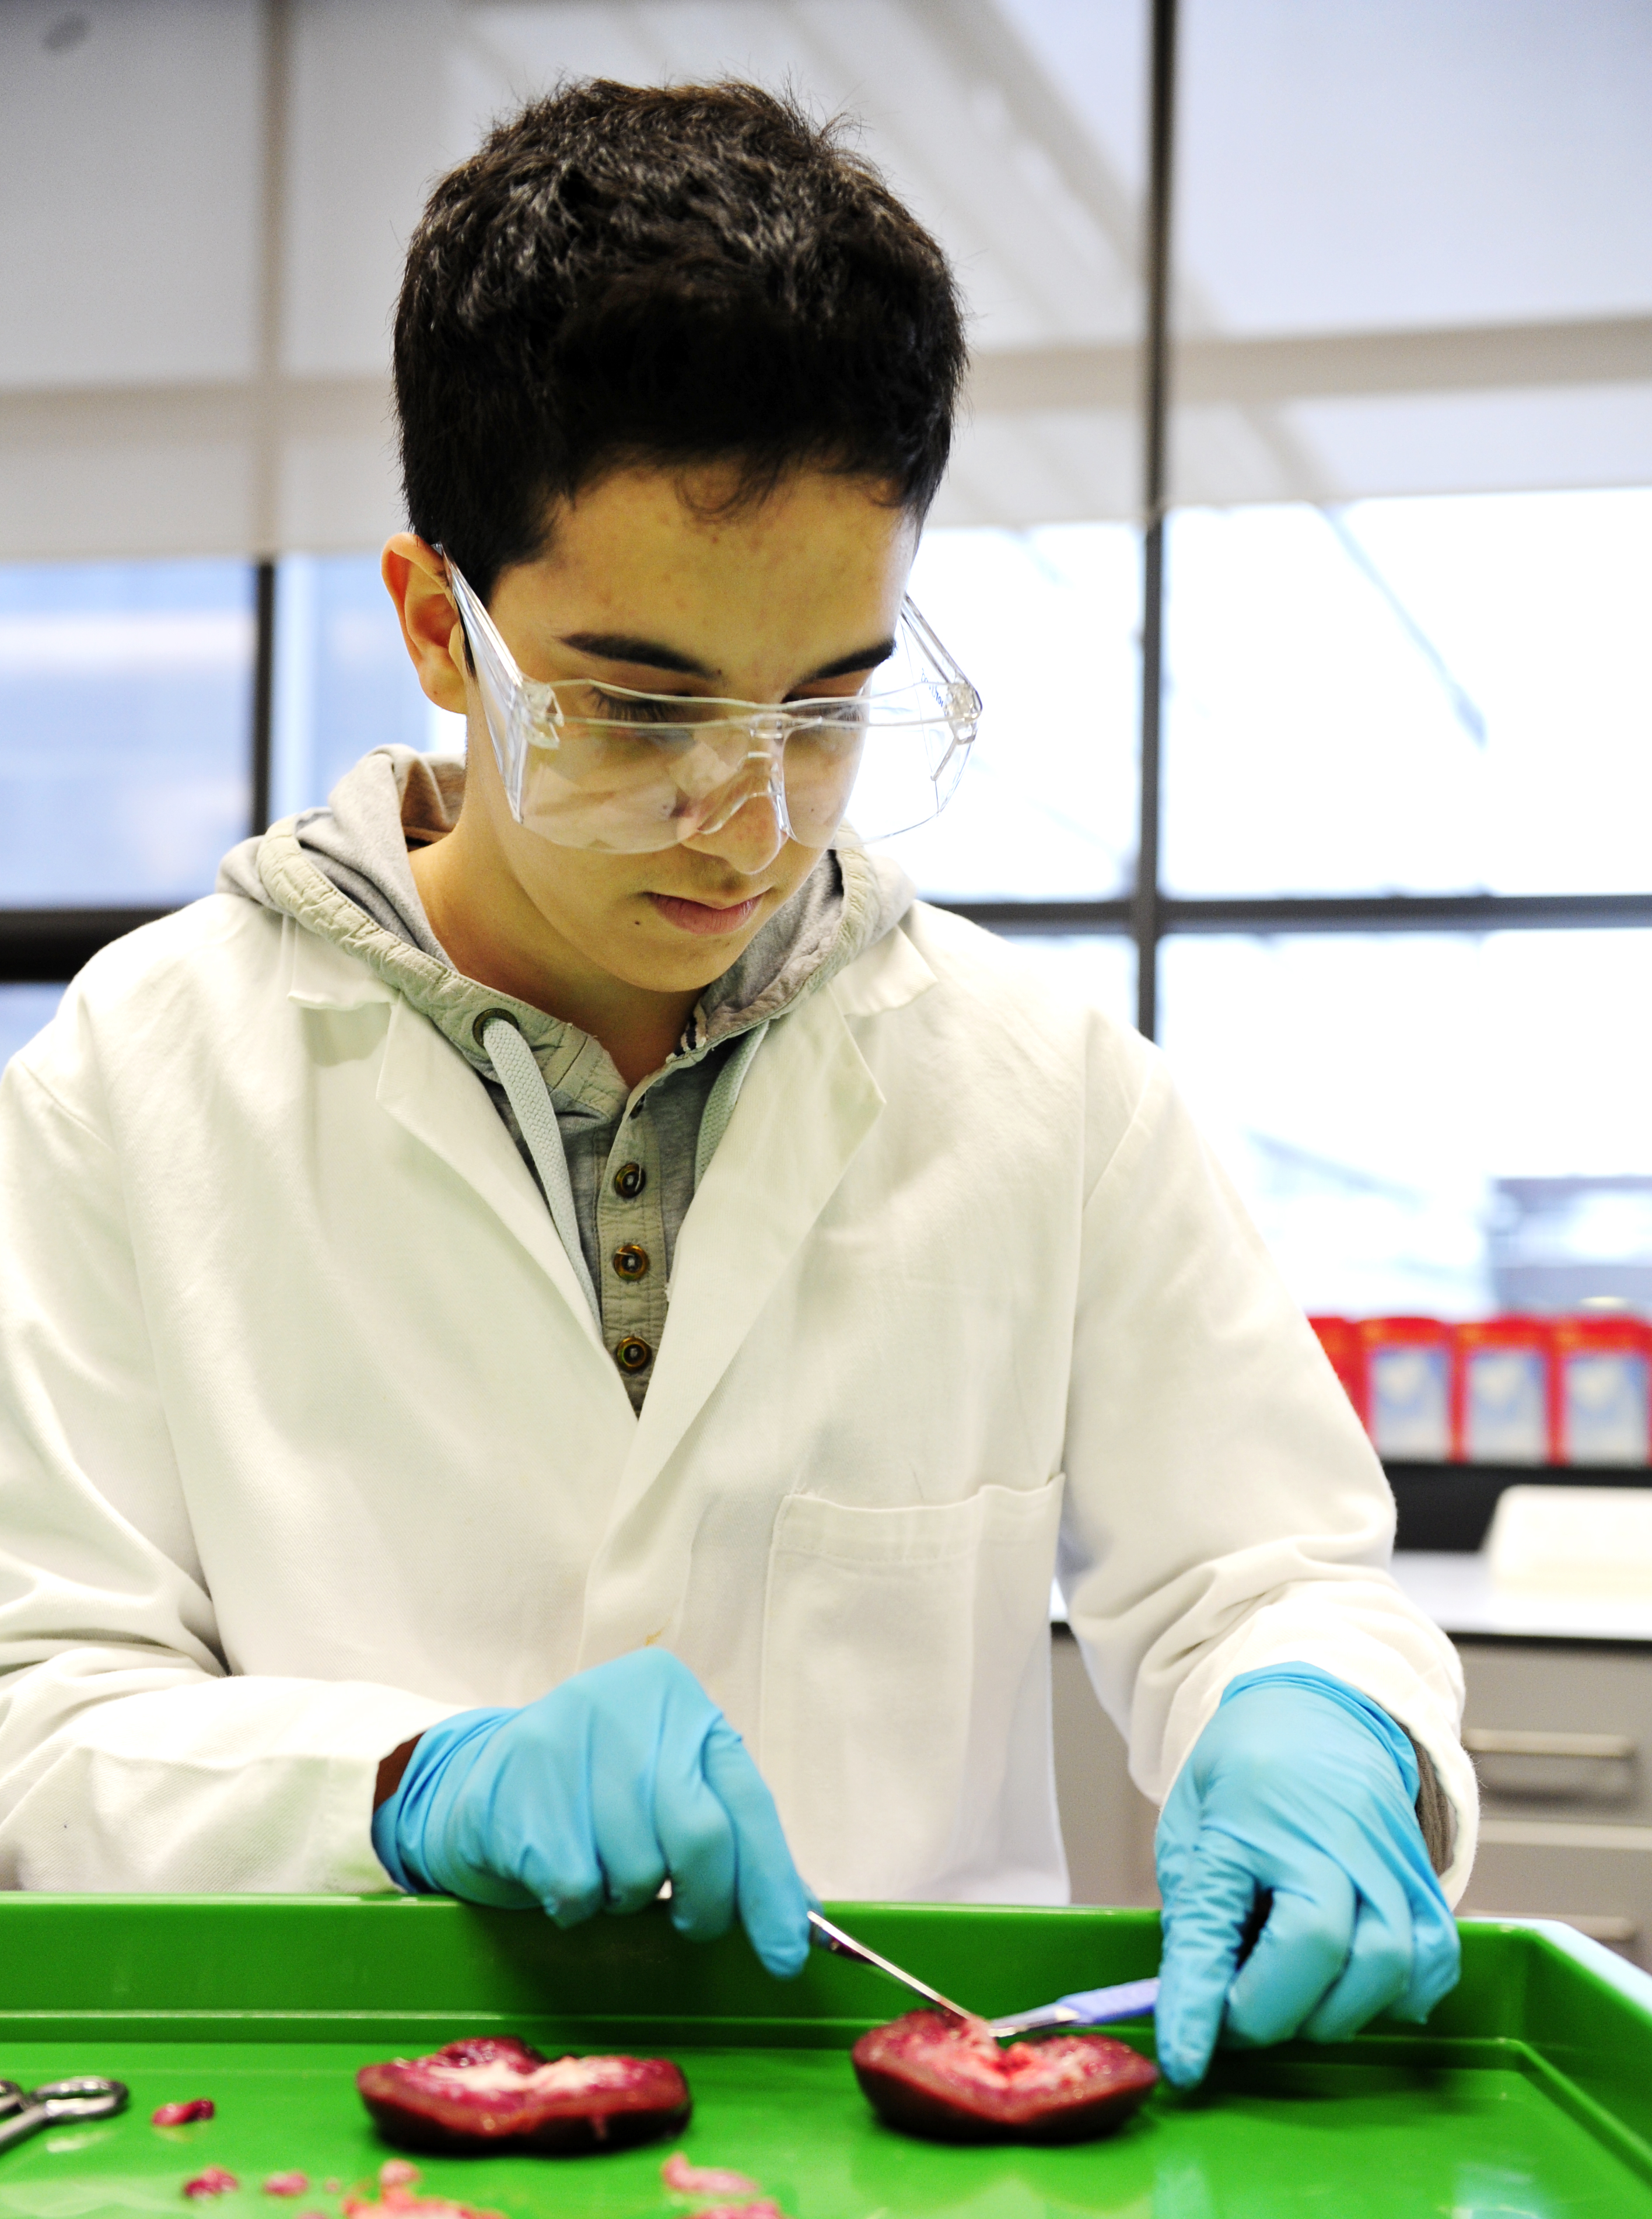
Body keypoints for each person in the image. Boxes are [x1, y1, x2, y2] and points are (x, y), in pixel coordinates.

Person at [0, 80, 1472, 2087]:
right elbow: (40, 1710)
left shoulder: (1038, 1090)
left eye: (830, 706)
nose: (747, 820)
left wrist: (1324, 1722)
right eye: (639, 707)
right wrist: (405, 1782)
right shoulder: (135, 1079)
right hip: (318, 2165)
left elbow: (1264, 1571)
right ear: (441, 622)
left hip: (907, 2216)